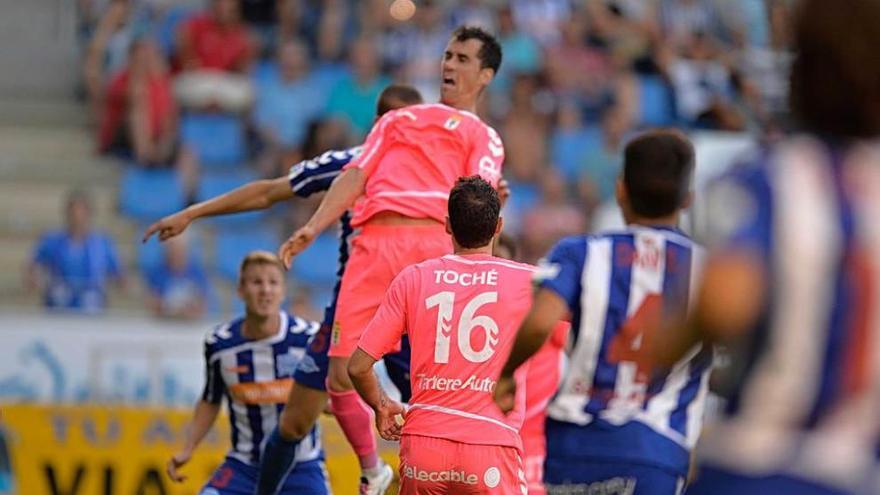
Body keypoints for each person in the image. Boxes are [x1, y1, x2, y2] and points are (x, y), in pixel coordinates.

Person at [143, 84, 423, 495]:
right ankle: (368, 471)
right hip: (356, 307)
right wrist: (194, 212)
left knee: (437, 411)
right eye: (402, 123)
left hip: (417, 310)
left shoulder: (442, 177)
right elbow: (269, 191)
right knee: (294, 422)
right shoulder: (351, 165)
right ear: (380, 124)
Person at [651, 1, 880, 493]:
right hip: (856, 469)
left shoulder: (774, 179)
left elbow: (726, 300)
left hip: (760, 464)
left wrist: (665, 341)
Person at [278, 26, 504, 493]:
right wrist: (314, 226)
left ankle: (434, 473)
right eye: (446, 55)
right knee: (340, 376)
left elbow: (477, 203)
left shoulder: (483, 136)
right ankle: (373, 469)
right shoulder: (399, 120)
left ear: (486, 75)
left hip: (431, 248)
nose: (449, 65)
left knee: (437, 380)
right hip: (371, 246)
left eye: (462, 59)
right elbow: (356, 173)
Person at [494, 130, 709, 495]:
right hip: (656, 451)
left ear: (621, 189)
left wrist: (508, 375)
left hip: (577, 449)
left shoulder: (581, 253)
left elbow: (540, 323)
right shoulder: (708, 269)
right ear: (687, 198)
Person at [348, 176, 530, 494]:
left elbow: (357, 366)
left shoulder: (413, 279)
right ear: (499, 227)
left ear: (447, 225)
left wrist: (381, 405)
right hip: (490, 446)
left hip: (424, 448)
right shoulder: (528, 282)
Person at [166, 251, 326, 494]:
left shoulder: (308, 338)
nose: (265, 290)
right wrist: (188, 448)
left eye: (273, 282)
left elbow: (335, 391)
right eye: (256, 282)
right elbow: (211, 399)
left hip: (301, 467)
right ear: (241, 290)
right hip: (245, 467)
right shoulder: (220, 344)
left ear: (283, 292)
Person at [25, 189, 125, 314]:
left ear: (90, 213)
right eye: (73, 212)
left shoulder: (102, 244)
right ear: (67, 213)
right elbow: (32, 265)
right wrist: (33, 278)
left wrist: (121, 283)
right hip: (58, 302)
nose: (77, 217)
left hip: (92, 304)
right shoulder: (51, 240)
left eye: (81, 211)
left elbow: (118, 274)